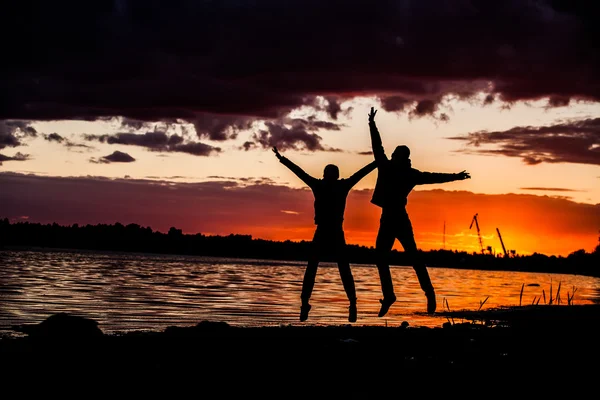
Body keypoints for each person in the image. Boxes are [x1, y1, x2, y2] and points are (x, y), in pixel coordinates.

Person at [367, 107, 471, 317]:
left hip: (395, 217)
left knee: (411, 258)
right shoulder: (398, 169)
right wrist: (372, 124)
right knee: (383, 258)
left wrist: (456, 177)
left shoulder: (399, 171)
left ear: (399, 156)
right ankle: (390, 296)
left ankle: (427, 293)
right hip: (390, 217)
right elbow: (377, 145)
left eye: (395, 154)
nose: (392, 155)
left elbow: (434, 177)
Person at [273, 147, 376, 322]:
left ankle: (350, 304)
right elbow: (301, 173)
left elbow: (301, 173)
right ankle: (308, 304)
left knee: (336, 269)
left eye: (327, 174)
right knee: (318, 268)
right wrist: (282, 159)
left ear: (330, 175)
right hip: (326, 231)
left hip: (332, 232)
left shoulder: (327, 185)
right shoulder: (330, 185)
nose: (325, 176)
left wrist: (376, 162)